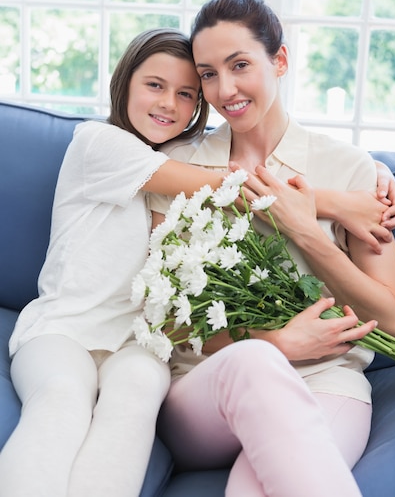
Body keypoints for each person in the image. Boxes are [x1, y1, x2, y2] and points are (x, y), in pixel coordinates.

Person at [148, 0, 395, 497]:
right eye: (208, 74)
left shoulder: (349, 168)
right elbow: (170, 320)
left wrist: (308, 230)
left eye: (240, 64)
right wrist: (277, 344)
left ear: (280, 60)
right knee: (255, 361)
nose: (225, 89)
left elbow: (391, 320)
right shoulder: (181, 167)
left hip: (326, 380)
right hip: (208, 387)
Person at [0, 28, 226, 497]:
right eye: (155, 85)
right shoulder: (99, 143)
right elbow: (230, 183)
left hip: (136, 340)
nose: (168, 103)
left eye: (186, 94)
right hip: (63, 329)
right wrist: (337, 202)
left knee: (136, 397)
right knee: (62, 398)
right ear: (124, 84)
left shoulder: (178, 161)